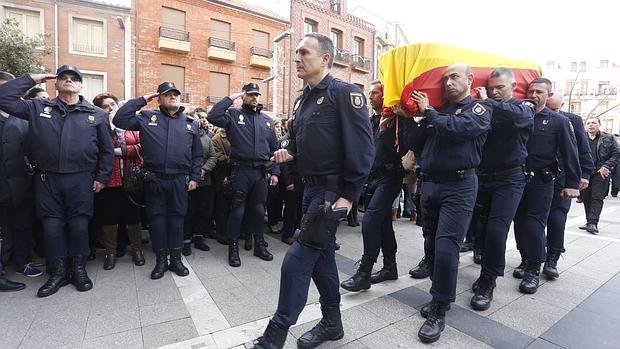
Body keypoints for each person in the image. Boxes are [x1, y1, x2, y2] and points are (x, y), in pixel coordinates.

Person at [252, 33, 374, 349]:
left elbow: (363, 151)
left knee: (298, 257)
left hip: (331, 193)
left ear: (325, 59)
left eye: (304, 53)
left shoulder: (345, 94)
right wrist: (289, 150)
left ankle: (274, 335)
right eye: (296, 53)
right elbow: (300, 140)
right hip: (310, 188)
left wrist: (349, 195)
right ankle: (332, 323)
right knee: (322, 260)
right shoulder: (302, 99)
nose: (297, 58)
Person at [0, 65, 114, 297]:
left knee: (79, 226)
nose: (69, 80)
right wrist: (33, 78)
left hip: (81, 179)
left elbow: (107, 151)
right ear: (54, 83)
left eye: (74, 78)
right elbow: (4, 98)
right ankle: (58, 272)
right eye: (64, 77)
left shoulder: (96, 115)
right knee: (52, 227)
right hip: (47, 179)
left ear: (81, 85)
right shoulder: (38, 107)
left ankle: (78, 269)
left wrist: (102, 177)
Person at [408, 63, 492, 343]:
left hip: (459, 186)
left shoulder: (479, 110)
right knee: (430, 244)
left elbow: (458, 129)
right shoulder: (436, 112)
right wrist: (409, 116)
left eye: (454, 77)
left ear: (469, 79)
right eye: (445, 79)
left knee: (446, 248)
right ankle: (438, 293)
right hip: (431, 183)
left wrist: (429, 112)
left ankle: (440, 308)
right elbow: (417, 142)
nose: (448, 82)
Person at [113, 82, 203, 280]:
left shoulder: (190, 123)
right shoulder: (147, 117)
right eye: (167, 94)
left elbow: (197, 155)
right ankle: (161, 261)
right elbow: (120, 119)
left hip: (179, 180)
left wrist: (195, 177)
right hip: (154, 179)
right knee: (157, 221)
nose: (172, 97)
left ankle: (176, 260)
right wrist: (143, 100)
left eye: (175, 94)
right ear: (159, 98)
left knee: (177, 220)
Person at [465, 68, 534, 311]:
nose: (494, 92)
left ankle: (488, 281)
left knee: (496, 231)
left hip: (511, 179)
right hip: (483, 177)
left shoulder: (523, 106)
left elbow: (519, 118)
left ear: (513, 86)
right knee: (481, 231)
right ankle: (487, 269)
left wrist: (487, 103)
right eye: (491, 87)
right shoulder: (486, 108)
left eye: (500, 88)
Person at [340, 80, 414, 292]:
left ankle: (364, 271)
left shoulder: (398, 120)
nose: (370, 96)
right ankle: (390, 267)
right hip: (372, 178)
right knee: (382, 224)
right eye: (369, 93)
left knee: (370, 221)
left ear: (385, 95)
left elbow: (410, 143)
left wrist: (396, 120)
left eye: (375, 93)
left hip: (390, 177)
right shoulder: (372, 120)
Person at [512, 78, 580, 294]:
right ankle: (525, 259)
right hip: (515, 180)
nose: (533, 95)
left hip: (542, 182)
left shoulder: (558, 121)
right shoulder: (518, 116)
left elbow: (571, 152)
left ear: (548, 95)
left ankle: (534, 267)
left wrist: (572, 182)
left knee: (534, 225)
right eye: (531, 90)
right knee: (519, 223)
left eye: (539, 91)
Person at [207, 83, 280, 267]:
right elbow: (213, 115)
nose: (254, 98)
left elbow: (274, 149)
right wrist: (231, 98)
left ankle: (259, 245)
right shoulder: (233, 115)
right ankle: (233, 248)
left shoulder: (266, 120)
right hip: (240, 171)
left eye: (256, 95)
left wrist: (275, 172)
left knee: (258, 211)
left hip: (260, 172)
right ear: (244, 96)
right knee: (237, 211)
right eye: (250, 94)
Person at [92, 92, 146, 269]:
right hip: (108, 181)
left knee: (133, 217)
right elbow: (94, 151)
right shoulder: (97, 127)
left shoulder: (131, 127)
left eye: (112, 105)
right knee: (110, 218)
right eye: (105, 107)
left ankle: (137, 250)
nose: (110, 109)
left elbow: (142, 145)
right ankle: (110, 253)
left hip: (132, 179)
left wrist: (120, 151)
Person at [544, 93, 593, 277]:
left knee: (557, 218)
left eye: (556, 109)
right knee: (533, 220)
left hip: (563, 177)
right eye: (549, 109)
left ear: (562, 106)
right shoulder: (536, 117)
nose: (553, 113)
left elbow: (582, 148)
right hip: (540, 177)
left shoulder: (573, 120)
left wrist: (585, 174)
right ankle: (532, 258)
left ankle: (553, 257)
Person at [182, 109, 217, 256]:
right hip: (187, 181)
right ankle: (185, 241)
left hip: (204, 182)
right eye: (198, 118)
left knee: (202, 211)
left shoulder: (207, 138)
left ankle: (199, 237)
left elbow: (213, 157)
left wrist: (203, 170)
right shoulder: (183, 136)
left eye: (203, 118)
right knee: (188, 211)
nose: (202, 121)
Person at [578, 116, 620, 234]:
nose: (591, 125)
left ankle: (593, 222)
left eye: (594, 123)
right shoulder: (581, 138)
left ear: (599, 125)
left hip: (600, 171)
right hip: (585, 172)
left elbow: (616, 154)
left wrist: (606, 166)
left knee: (597, 197)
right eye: (589, 123)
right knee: (585, 197)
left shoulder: (608, 138)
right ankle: (589, 220)